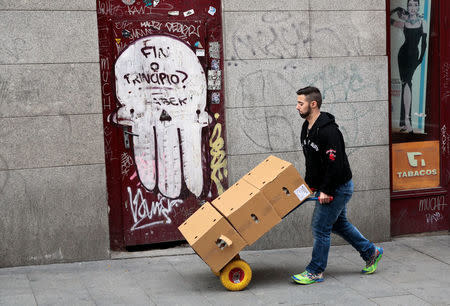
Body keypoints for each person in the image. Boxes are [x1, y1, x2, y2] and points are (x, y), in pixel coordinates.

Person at [291, 86, 383, 285]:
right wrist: (309, 186)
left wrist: (326, 190)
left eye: (301, 103)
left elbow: (335, 164)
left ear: (313, 104)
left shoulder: (330, 132)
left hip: (338, 186)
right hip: (325, 185)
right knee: (338, 224)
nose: (297, 107)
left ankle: (315, 271)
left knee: (320, 227)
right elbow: (312, 162)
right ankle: (371, 252)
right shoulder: (307, 127)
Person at [390, 0, 427, 133]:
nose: (413, 8)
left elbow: (424, 43)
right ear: (407, 7)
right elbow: (388, 19)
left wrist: (420, 59)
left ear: (418, 7)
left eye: (415, 5)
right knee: (405, 83)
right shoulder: (404, 23)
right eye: (410, 5)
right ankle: (406, 122)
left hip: (413, 57)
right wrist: (396, 9)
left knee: (407, 83)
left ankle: (406, 121)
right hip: (402, 55)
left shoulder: (423, 23)